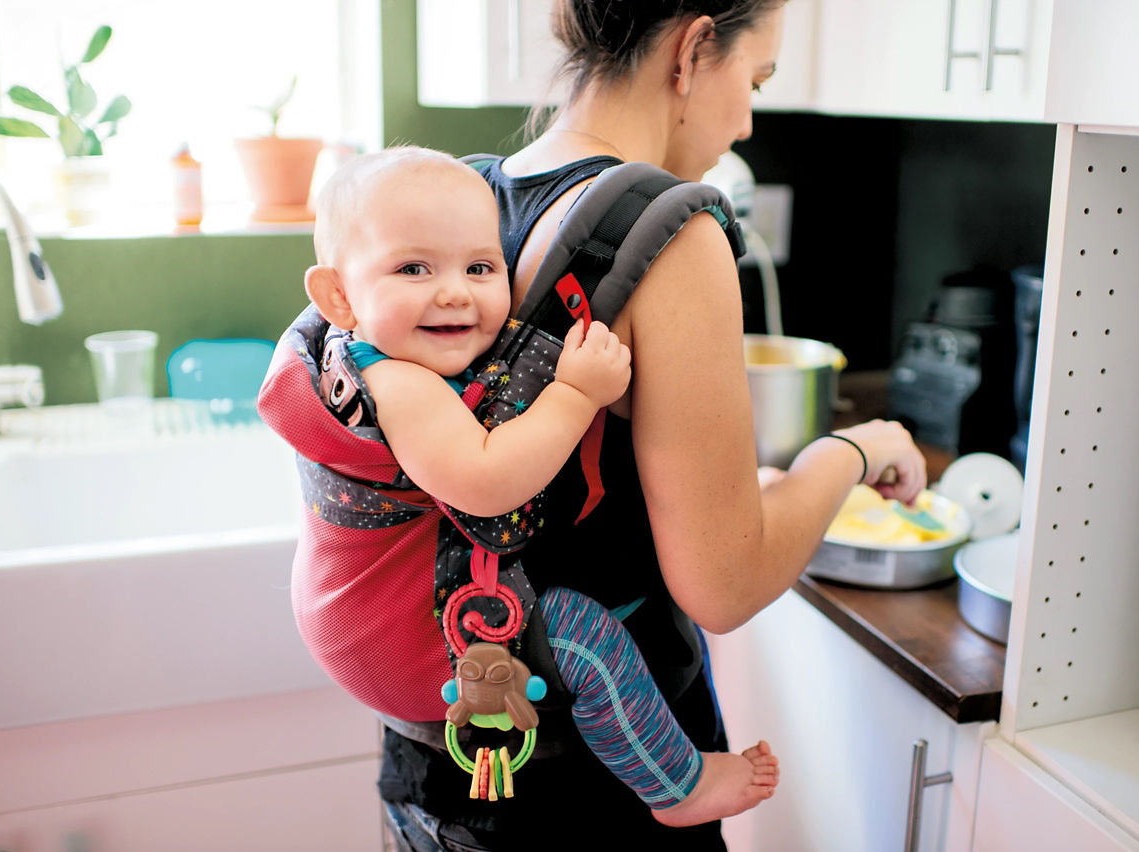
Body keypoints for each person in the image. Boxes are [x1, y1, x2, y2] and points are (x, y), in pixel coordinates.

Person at [377, 2, 928, 850]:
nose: (745, 120)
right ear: (694, 48)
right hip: (595, 783)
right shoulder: (671, 231)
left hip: (443, 761)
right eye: (753, 79)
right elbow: (724, 581)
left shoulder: (469, 200)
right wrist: (851, 452)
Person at [259, 146, 780, 831]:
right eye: (414, 268)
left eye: (480, 267)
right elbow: (486, 483)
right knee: (587, 640)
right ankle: (675, 785)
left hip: (360, 619)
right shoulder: (398, 381)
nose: (454, 291)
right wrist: (573, 393)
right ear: (338, 296)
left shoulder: (359, 349)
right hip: (404, 631)